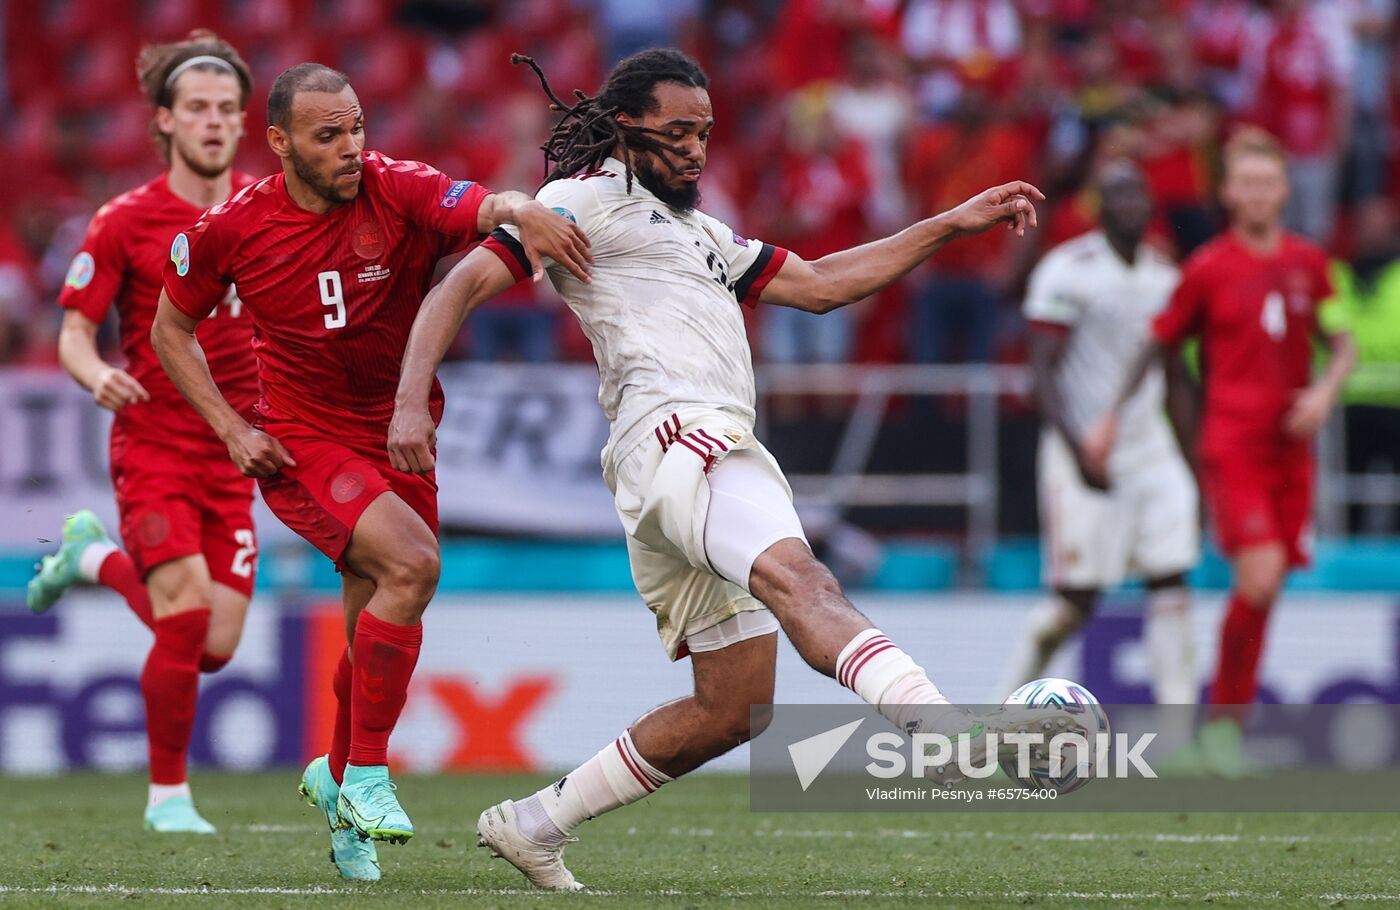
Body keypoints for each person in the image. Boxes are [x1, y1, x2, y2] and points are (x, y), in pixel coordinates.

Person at [389, 49, 1077, 891]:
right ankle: (950, 736)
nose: (696, 150)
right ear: (624, 127)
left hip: (672, 463)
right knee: (804, 579)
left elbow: (824, 284)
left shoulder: (703, 233)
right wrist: (410, 400)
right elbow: (456, 288)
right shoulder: (581, 202)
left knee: (736, 708)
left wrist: (946, 224)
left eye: (705, 133)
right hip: (680, 437)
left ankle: (535, 823)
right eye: (677, 132)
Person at [149, 62, 590, 879]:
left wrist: (522, 203)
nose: (352, 147)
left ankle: (336, 785)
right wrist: (231, 429)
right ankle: (371, 777)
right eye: (329, 135)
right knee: (415, 565)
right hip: (302, 439)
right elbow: (169, 330)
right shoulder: (233, 229)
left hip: (396, 435)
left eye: (357, 127)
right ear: (279, 143)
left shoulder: (397, 187)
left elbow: (479, 203)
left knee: (371, 624)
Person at [28, 32, 258, 835]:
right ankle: (168, 797)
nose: (215, 123)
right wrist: (97, 377)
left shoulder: (267, 211)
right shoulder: (124, 220)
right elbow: (71, 335)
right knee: (186, 613)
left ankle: (90, 557)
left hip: (235, 453)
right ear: (164, 120)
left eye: (228, 109)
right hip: (153, 441)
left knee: (216, 647)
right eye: (197, 108)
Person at [1085, 129, 1355, 777]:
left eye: (1270, 182)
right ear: (1229, 193)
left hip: (1295, 450)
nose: (1260, 194)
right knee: (1258, 577)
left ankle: (1224, 732)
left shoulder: (1311, 262)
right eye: (1248, 183)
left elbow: (1342, 342)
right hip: (1233, 444)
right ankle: (1219, 728)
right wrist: (1110, 418)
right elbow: (1156, 344)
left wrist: (1323, 392)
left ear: (1285, 190)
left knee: (1265, 591)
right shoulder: (1207, 267)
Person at [999, 160, 1198, 708]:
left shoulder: (1166, 276)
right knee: (1074, 602)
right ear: (1099, 207)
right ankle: (1002, 711)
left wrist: (1192, 461)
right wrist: (1075, 444)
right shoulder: (1068, 270)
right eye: (1119, 194)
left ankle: (1180, 735)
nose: (1131, 204)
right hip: (1080, 448)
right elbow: (1041, 370)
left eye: (1139, 193)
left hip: (1150, 450)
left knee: (1172, 580)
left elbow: (1176, 375)